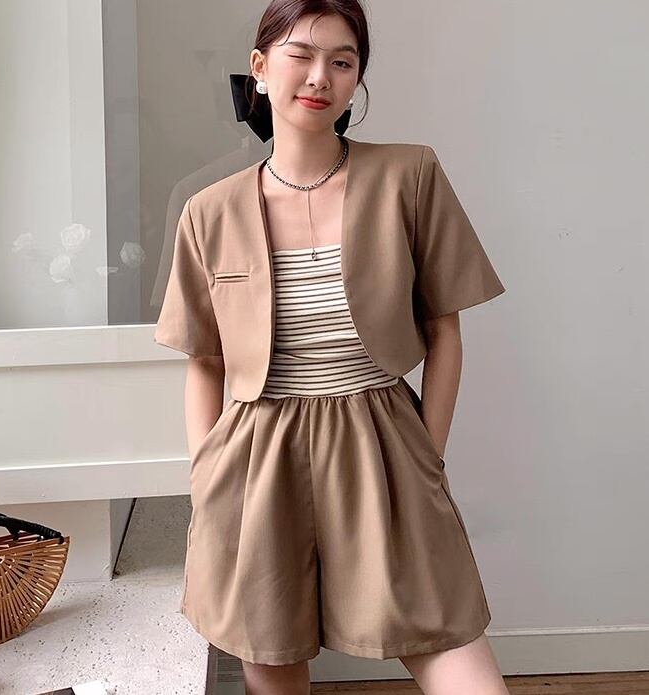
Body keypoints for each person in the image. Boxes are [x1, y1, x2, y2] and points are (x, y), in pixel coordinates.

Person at [154, 2, 510, 693]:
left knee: (459, 661)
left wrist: (427, 456)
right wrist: (206, 478)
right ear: (260, 68)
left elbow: (445, 330)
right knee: (274, 667)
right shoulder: (208, 211)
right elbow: (205, 361)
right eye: (302, 55)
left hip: (383, 441)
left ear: (357, 79)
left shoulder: (410, 175)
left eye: (343, 62)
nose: (321, 76)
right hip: (257, 460)